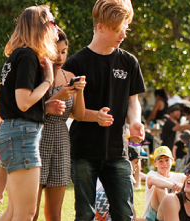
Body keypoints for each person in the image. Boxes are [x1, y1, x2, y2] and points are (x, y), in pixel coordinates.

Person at [62, 1, 146, 220]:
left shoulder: (129, 62)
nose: (123, 36)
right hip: (83, 150)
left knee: (125, 214)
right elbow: (70, 110)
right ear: (100, 27)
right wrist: (95, 116)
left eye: (124, 29)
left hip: (118, 150)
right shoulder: (75, 63)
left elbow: (133, 101)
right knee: (84, 215)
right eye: (117, 30)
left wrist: (135, 121)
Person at [0, 5, 61, 220]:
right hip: (22, 135)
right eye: (52, 22)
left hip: (13, 133)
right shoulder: (27, 56)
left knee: (13, 211)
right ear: (40, 26)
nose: (56, 28)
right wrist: (48, 81)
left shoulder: (16, 55)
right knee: (25, 213)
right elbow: (23, 102)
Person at [34, 27, 86, 221]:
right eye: (56, 51)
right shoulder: (37, 74)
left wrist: (79, 91)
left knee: (55, 214)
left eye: (64, 51)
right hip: (37, 137)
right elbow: (27, 107)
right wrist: (59, 95)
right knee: (31, 212)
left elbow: (79, 115)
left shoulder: (68, 75)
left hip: (62, 140)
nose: (60, 56)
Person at [95, 145, 146, 221]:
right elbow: (128, 205)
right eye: (136, 162)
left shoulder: (114, 170)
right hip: (100, 205)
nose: (137, 166)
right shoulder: (122, 176)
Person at [144, 146, 185, 220]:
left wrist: (182, 185)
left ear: (172, 161)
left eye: (167, 160)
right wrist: (174, 186)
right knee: (159, 188)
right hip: (154, 216)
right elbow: (151, 180)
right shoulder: (152, 174)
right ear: (155, 163)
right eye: (160, 161)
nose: (164, 163)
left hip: (174, 214)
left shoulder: (179, 176)